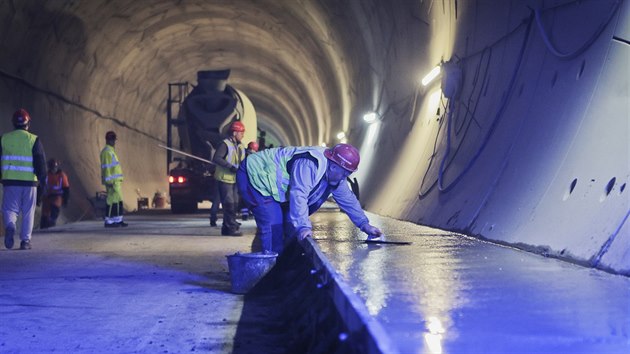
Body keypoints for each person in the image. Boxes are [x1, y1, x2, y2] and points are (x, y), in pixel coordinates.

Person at [236, 143, 382, 254]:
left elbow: (348, 200)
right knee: (273, 225)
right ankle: (266, 274)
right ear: (333, 167)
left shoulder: (335, 175)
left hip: (272, 187)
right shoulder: (309, 164)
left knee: (290, 228)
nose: (345, 178)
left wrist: (365, 225)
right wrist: (303, 226)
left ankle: (282, 266)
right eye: (344, 174)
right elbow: (298, 194)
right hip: (255, 176)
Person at [1, 108, 47, 250]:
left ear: (13, 123)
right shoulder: (34, 140)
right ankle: (25, 241)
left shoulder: (4, 139)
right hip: (30, 183)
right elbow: (40, 163)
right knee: (28, 212)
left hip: (10, 182)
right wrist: (42, 182)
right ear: (28, 124)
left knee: (9, 209)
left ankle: (10, 225)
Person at [212, 121, 246, 236]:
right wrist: (230, 167)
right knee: (229, 204)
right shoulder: (225, 144)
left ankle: (226, 228)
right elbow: (217, 158)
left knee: (235, 204)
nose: (243, 135)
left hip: (235, 179)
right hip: (225, 179)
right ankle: (231, 228)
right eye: (241, 133)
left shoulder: (240, 145)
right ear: (235, 132)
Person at [100, 131, 128, 227]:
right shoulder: (107, 152)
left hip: (116, 182)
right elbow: (106, 168)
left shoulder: (111, 151)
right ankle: (108, 221)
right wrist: (109, 181)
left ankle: (117, 219)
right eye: (113, 140)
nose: (114, 142)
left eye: (114, 140)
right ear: (108, 140)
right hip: (112, 182)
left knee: (118, 200)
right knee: (111, 201)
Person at [39, 158, 70, 229]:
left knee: (53, 215)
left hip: (57, 197)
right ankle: (43, 226)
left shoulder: (62, 175)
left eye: (54, 167)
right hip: (47, 197)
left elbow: (66, 189)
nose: (53, 169)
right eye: (51, 167)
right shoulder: (47, 175)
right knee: (44, 216)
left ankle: (51, 225)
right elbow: (41, 187)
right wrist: (39, 197)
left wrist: (65, 200)